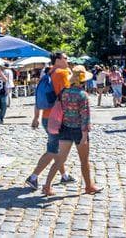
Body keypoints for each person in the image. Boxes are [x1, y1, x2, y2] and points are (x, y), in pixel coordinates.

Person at [41, 66, 100, 196]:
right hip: (79, 131)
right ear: (83, 80)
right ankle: (89, 186)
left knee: (60, 160)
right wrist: (84, 135)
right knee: (84, 161)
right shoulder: (82, 95)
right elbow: (85, 117)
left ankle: (47, 186)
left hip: (65, 128)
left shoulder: (64, 92)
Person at [25, 53, 75, 190]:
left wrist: (36, 117)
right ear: (58, 60)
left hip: (47, 117)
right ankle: (33, 177)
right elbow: (67, 95)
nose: (68, 60)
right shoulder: (62, 73)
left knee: (57, 148)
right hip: (58, 118)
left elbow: (39, 98)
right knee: (53, 150)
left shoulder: (48, 73)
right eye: (65, 58)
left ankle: (64, 176)